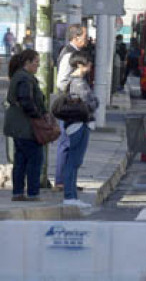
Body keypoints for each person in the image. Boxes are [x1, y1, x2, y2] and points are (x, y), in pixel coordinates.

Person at [3, 49, 46, 201]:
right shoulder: (24, 78)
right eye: (36, 62)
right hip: (26, 127)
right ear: (27, 62)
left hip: (19, 127)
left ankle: (18, 192)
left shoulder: (21, 76)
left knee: (20, 160)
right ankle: (33, 193)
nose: (38, 65)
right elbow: (26, 101)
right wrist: (39, 116)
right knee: (34, 160)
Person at [58, 51, 97, 208]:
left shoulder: (71, 82)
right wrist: (95, 102)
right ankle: (69, 196)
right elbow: (90, 103)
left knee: (73, 161)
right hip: (79, 124)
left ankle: (71, 195)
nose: (90, 65)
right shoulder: (79, 83)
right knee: (73, 161)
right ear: (80, 65)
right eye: (88, 63)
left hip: (74, 124)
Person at [54, 24, 87, 192]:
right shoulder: (69, 54)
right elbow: (61, 81)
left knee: (71, 142)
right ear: (76, 37)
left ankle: (67, 180)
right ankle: (61, 181)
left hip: (71, 104)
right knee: (66, 143)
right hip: (67, 104)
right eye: (84, 36)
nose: (87, 40)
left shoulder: (73, 52)